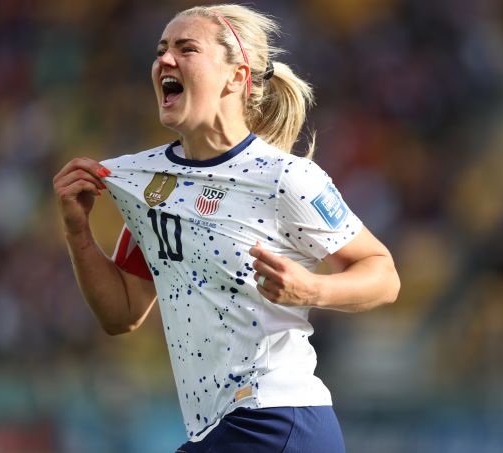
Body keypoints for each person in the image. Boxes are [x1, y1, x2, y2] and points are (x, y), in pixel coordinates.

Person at [53, 4, 400, 452]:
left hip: (278, 419)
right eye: (160, 51)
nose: (165, 61)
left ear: (236, 77)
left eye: (186, 48)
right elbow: (122, 314)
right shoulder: (143, 185)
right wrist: (78, 234)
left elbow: (384, 275)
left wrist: (311, 290)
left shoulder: (283, 178)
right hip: (221, 430)